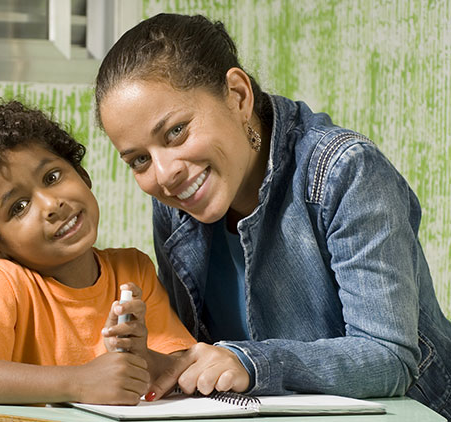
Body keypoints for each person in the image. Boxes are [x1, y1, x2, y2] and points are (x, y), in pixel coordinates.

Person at [93, 12, 451, 419]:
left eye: (175, 131)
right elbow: (204, 354)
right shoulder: (174, 200)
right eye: (139, 159)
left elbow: (388, 357)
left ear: (238, 95)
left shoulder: (344, 171)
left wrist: (249, 362)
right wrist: (165, 362)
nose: (164, 173)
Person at [0, 100, 198, 405]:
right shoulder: (8, 283)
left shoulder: (133, 269)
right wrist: (80, 382)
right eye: (19, 207)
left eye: (52, 177)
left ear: (81, 174)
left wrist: (142, 356)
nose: (52, 205)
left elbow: (180, 368)